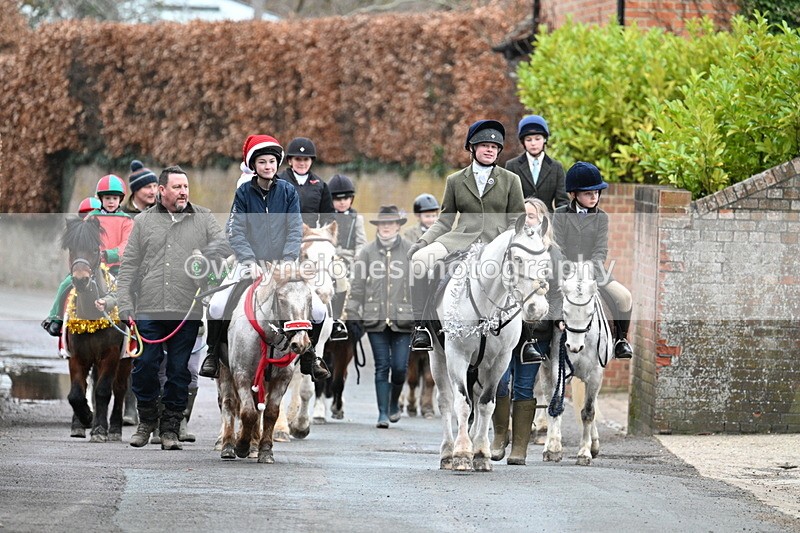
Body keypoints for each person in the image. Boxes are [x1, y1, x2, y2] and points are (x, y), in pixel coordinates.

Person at [199, 134, 330, 381]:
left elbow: (294, 228)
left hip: (285, 263)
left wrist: (289, 261)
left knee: (320, 311)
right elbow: (236, 231)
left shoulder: (288, 192)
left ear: (277, 163)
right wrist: (250, 261)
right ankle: (213, 353)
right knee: (217, 306)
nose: (268, 166)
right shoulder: (243, 193)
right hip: (249, 262)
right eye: (262, 162)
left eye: (271, 161)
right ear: (254, 166)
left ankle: (310, 356)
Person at [116, 165, 226, 450]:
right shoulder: (143, 221)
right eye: (177, 187)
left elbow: (223, 248)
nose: (183, 192)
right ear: (161, 190)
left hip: (186, 308)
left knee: (179, 372)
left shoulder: (202, 218)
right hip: (148, 307)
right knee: (144, 367)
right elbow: (128, 266)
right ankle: (146, 421)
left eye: (186, 187)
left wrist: (208, 264)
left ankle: (170, 429)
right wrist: (124, 302)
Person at [407, 120, 525, 350]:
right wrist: (422, 242)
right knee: (420, 261)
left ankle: (528, 339)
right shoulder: (455, 180)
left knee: (528, 270)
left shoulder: (511, 180)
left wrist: (510, 243)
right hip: (460, 240)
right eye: (484, 145)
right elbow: (445, 220)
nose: (490, 149)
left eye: (494, 147)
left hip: (497, 243)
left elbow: (517, 220)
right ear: (472, 148)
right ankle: (421, 328)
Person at [491, 197, 563, 465]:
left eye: (531, 216)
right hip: (506, 330)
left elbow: (557, 293)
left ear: (542, 221)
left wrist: (554, 318)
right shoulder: (511, 249)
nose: (527, 220)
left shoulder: (552, 253)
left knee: (523, 385)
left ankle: (519, 447)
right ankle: (499, 437)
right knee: (500, 381)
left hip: (536, 332)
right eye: (524, 216)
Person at [553, 161, 633, 359]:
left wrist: (590, 268)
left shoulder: (602, 217)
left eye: (597, 192)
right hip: (565, 270)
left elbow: (601, 249)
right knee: (541, 297)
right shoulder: (560, 214)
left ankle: (621, 340)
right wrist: (569, 268)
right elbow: (557, 247)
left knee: (624, 297)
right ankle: (535, 343)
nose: (594, 197)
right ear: (574, 194)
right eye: (588, 193)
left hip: (594, 269)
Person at [346, 205, 414, 428]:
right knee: (382, 366)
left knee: (400, 367)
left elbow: (419, 285)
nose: (386, 227)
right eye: (382, 224)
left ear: (397, 226)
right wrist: (353, 314)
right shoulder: (366, 252)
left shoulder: (410, 250)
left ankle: (394, 402)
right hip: (374, 319)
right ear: (378, 227)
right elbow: (356, 287)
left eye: (391, 223)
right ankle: (383, 413)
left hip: (403, 319)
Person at [41, 175, 134, 337]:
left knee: (132, 289)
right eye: (107, 198)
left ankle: (134, 323)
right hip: (94, 266)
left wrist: (110, 255)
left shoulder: (127, 221)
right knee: (66, 283)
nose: (111, 202)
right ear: (101, 199)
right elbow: (83, 242)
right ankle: (55, 318)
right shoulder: (92, 218)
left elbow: (128, 244)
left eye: (114, 198)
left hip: (118, 268)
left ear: (120, 199)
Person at [327, 173, 367, 341]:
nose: (342, 202)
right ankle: (336, 319)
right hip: (332, 259)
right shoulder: (327, 217)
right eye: (337, 199)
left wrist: (358, 258)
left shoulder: (357, 219)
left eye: (346, 198)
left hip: (352, 260)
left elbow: (362, 242)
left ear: (351, 199)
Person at [504, 115, 568, 212]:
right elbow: (507, 199)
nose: (533, 143)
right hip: (521, 220)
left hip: (548, 221)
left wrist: (556, 223)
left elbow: (562, 202)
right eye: (528, 139)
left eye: (537, 139)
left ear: (544, 140)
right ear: (523, 142)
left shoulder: (556, 167)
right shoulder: (512, 166)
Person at [277, 137, 334, 228]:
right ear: (289, 161)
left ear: (311, 161)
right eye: (298, 159)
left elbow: (328, 216)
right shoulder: (278, 181)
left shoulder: (321, 185)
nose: (302, 163)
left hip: (310, 236)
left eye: (306, 159)